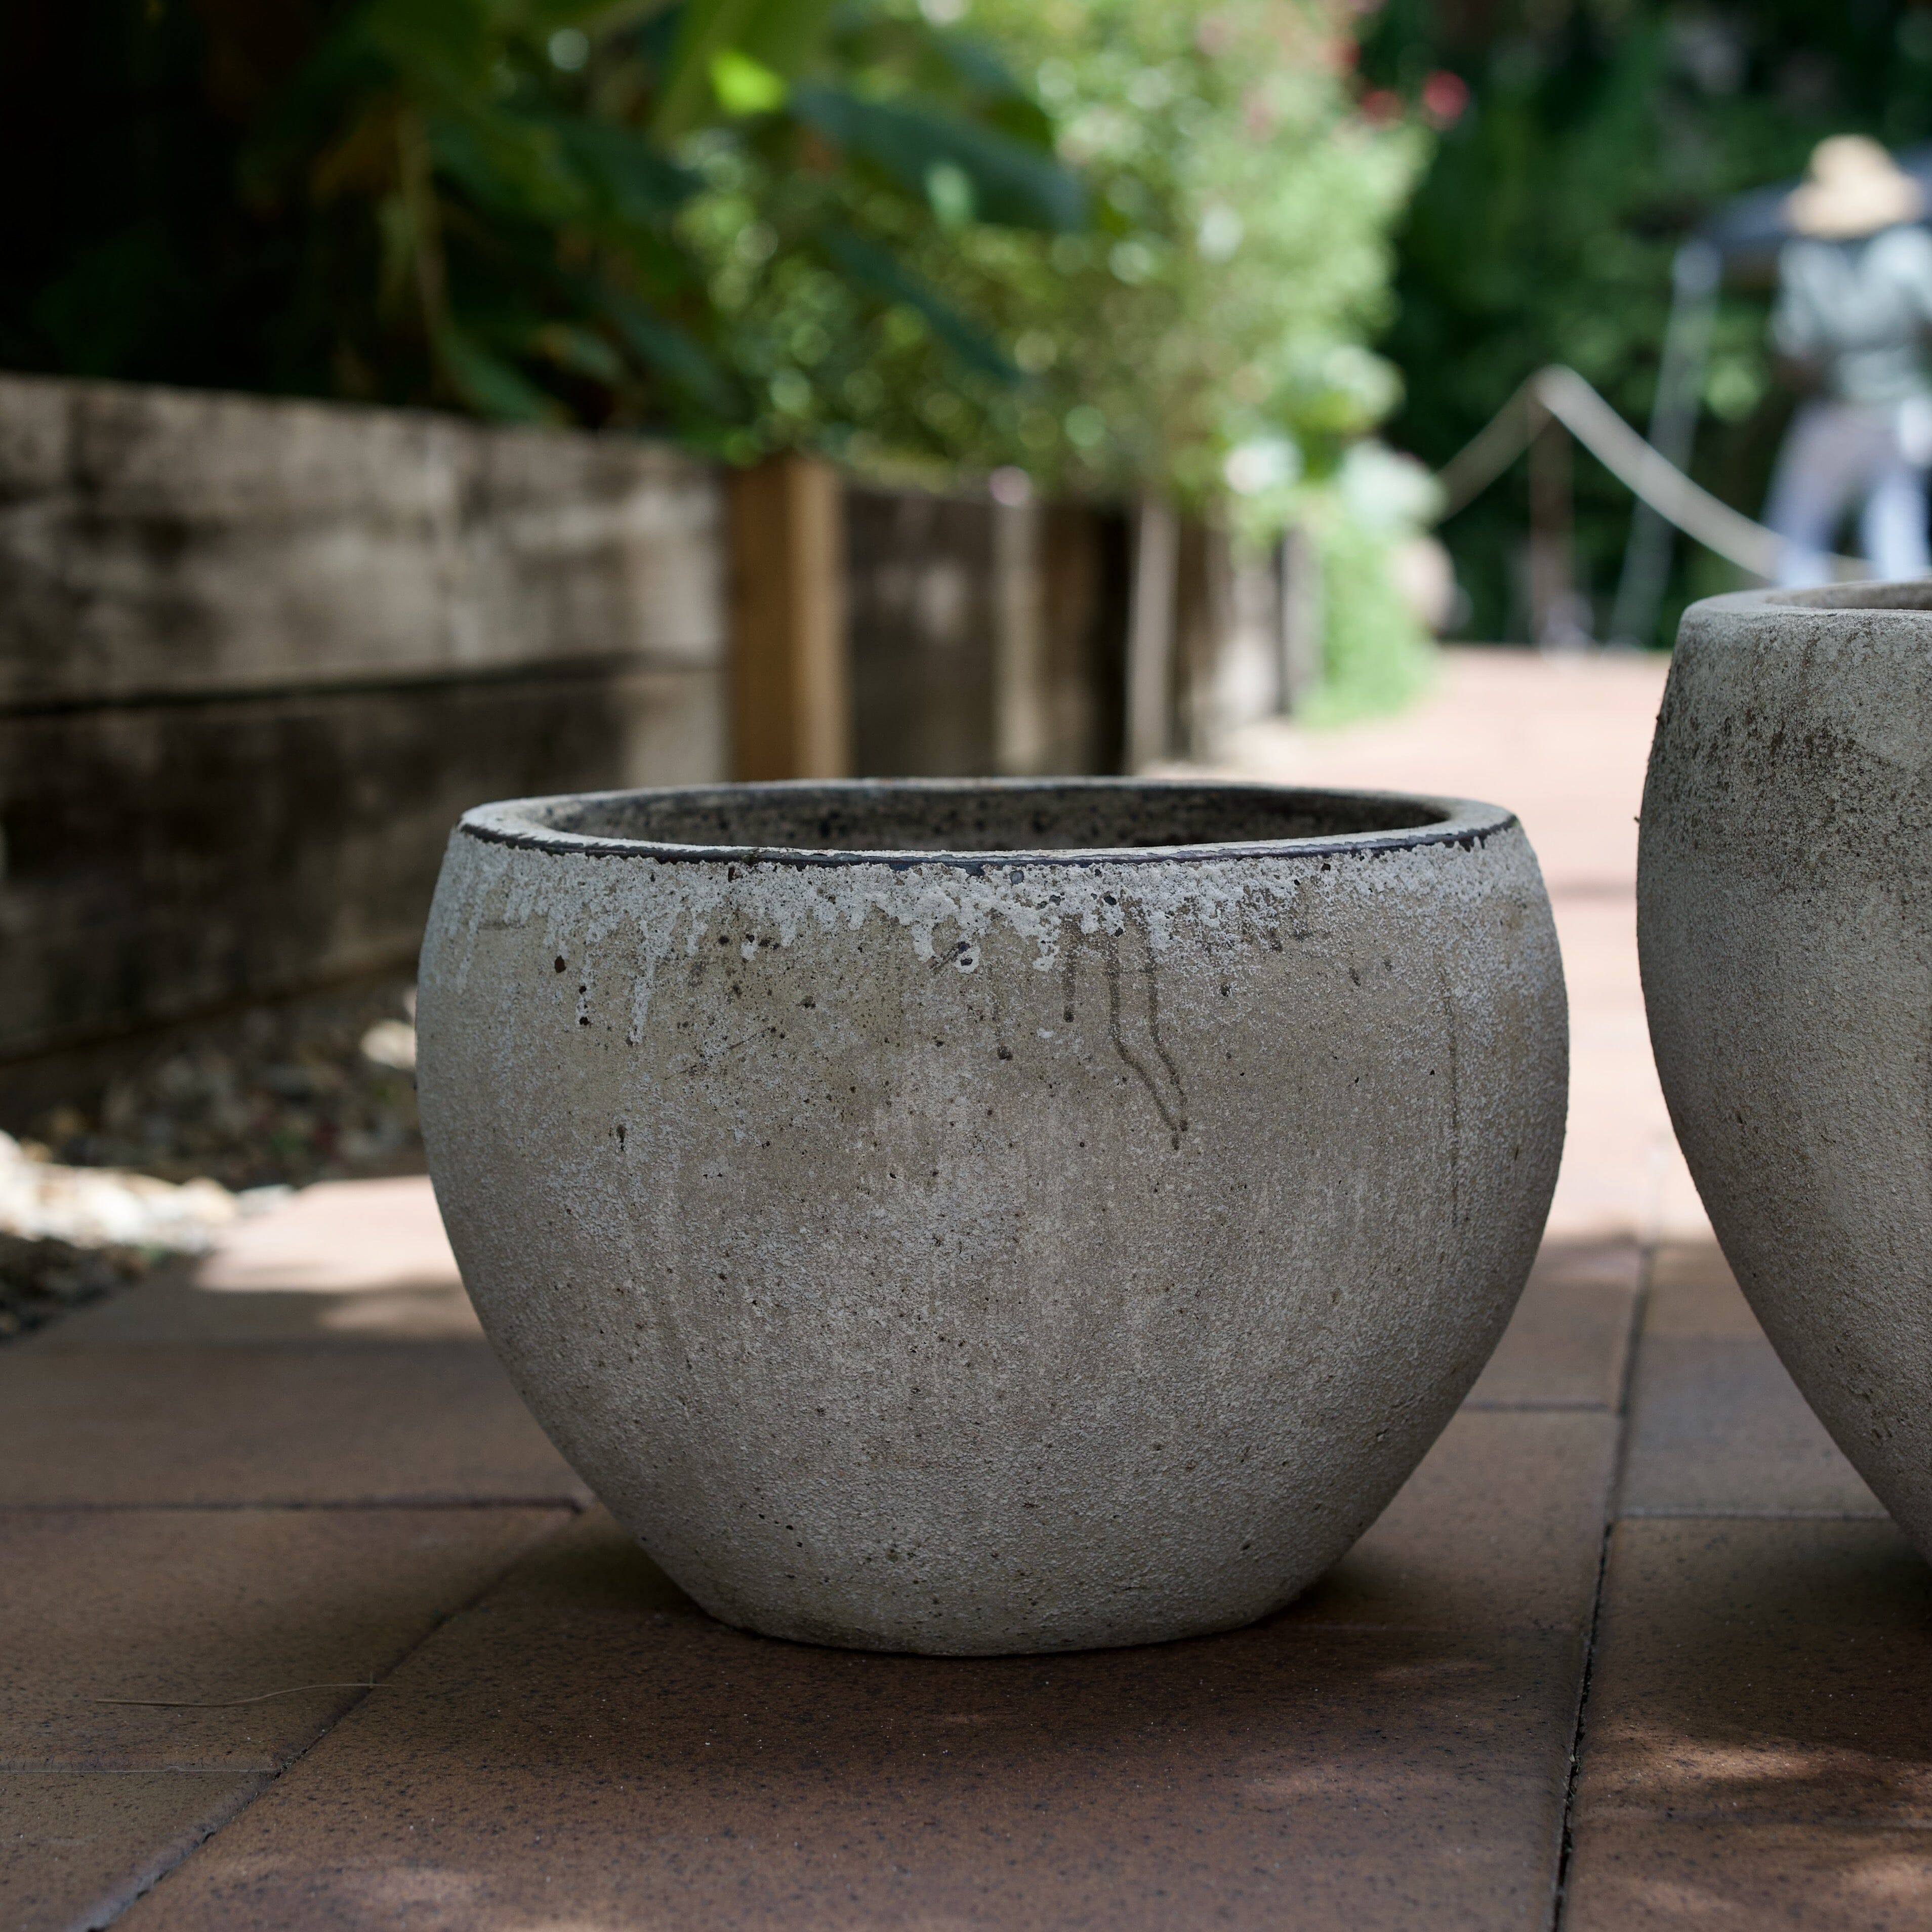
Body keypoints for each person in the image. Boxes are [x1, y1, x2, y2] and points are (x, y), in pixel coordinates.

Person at [1763, 136, 1932, 587]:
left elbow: (1794, 344)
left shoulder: (1806, 259)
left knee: (1799, 526)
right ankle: (1913, 643)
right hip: (1902, 409)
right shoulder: (1910, 251)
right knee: (1896, 525)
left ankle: (1795, 641)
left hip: (1837, 407)